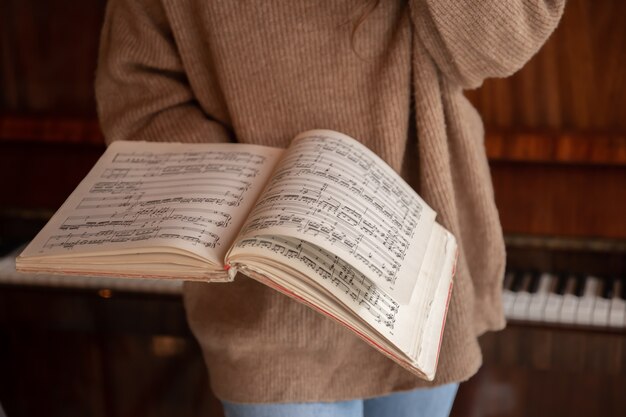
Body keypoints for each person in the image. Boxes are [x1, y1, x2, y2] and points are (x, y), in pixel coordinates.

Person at [95, 1, 564, 415]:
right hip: (265, 295)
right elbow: (139, 98)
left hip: (425, 278)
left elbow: (500, 44)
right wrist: (267, 196)